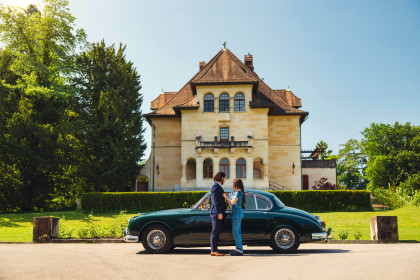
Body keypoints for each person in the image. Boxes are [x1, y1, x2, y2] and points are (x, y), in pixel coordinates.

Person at [223, 178, 245, 256]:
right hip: (238, 213)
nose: (232, 186)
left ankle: (239, 250)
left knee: (236, 232)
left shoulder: (238, 192)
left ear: (236, 185)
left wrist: (225, 196)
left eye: (233, 185)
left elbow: (232, 202)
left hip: (237, 214)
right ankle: (239, 249)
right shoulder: (240, 192)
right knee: (237, 232)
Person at [210, 171, 226, 256]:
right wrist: (219, 212)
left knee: (216, 231)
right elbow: (215, 201)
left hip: (219, 213)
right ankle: (213, 250)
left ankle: (215, 249)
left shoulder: (217, 186)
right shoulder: (215, 187)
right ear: (221, 178)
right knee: (215, 232)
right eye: (224, 178)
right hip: (216, 213)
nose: (225, 180)